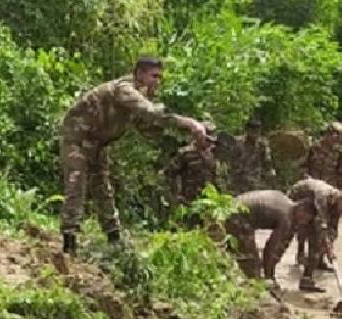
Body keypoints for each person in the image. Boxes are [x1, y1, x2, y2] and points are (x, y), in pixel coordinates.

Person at [59, 56, 207, 254]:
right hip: (77, 139)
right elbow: (150, 113)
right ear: (140, 74)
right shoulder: (125, 89)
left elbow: (149, 129)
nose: (157, 82)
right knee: (77, 184)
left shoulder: (135, 100)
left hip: (98, 144)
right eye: (154, 76)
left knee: (103, 188)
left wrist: (190, 138)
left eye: (160, 77)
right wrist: (190, 123)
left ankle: (114, 239)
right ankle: (69, 243)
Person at [225, 190, 316, 284]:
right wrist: (269, 276)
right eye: (305, 219)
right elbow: (270, 248)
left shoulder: (286, 202)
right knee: (251, 263)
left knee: (233, 251)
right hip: (237, 216)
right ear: (300, 208)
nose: (303, 222)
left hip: (230, 208)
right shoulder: (286, 217)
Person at [287, 178, 342, 292]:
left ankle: (318, 262)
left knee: (322, 241)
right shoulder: (323, 196)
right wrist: (326, 246)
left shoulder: (337, 205)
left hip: (312, 205)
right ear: (341, 200)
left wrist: (330, 248)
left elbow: (333, 228)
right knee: (311, 235)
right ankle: (306, 279)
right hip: (298, 197)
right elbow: (321, 224)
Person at [164, 126, 219, 208]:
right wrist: (175, 195)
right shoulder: (185, 153)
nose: (209, 143)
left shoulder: (215, 153)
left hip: (211, 200)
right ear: (198, 137)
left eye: (212, 141)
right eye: (206, 140)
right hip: (189, 200)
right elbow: (170, 173)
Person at [229, 117, 277, 194]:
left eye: (257, 131)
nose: (255, 134)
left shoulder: (262, 144)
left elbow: (267, 162)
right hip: (240, 181)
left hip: (257, 180)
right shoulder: (238, 143)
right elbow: (233, 164)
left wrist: (270, 175)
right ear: (247, 130)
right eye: (252, 130)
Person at [302, 121, 342, 191]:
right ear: (327, 134)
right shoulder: (313, 148)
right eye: (334, 134)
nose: (336, 138)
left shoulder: (340, 151)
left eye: (340, 135)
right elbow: (304, 165)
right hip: (313, 186)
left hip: (330, 189)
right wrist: (306, 178)